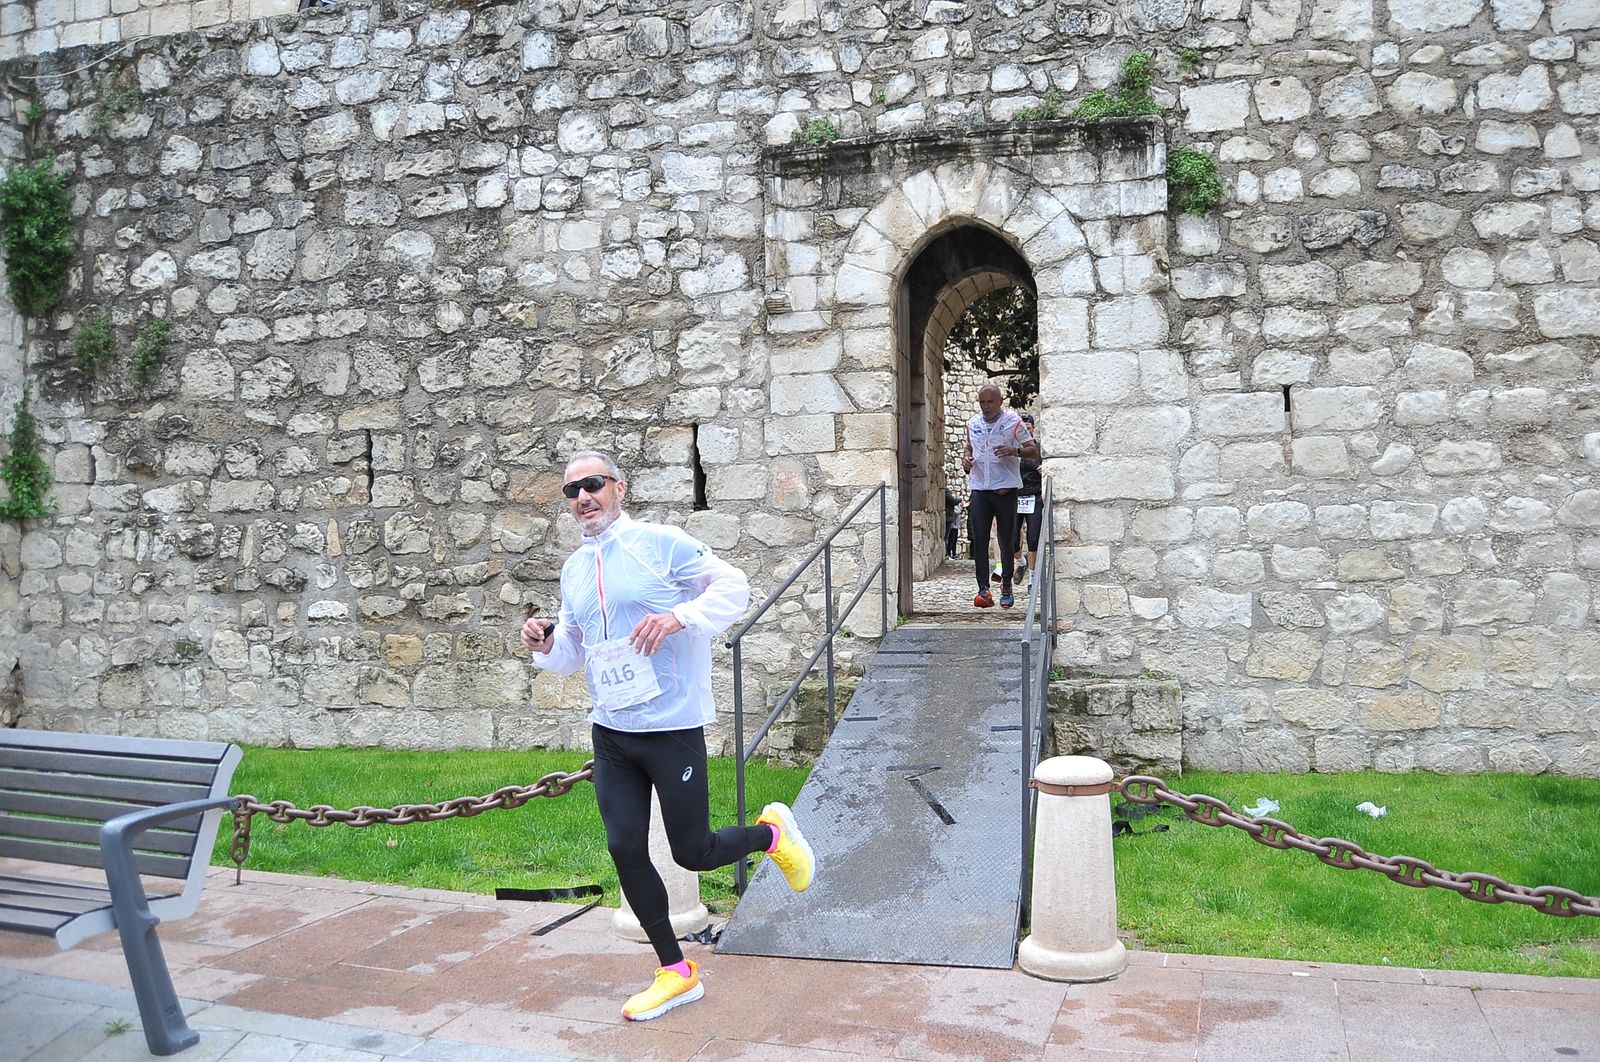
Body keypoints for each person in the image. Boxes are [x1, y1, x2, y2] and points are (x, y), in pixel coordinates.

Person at [520, 451, 815, 1022]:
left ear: (619, 489)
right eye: (572, 491)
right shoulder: (574, 570)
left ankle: (770, 836)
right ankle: (675, 972)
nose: (584, 497)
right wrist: (544, 643)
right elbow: (572, 650)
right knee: (624, 846)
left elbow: (734, 587)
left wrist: (679, 617)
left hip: (670, 727)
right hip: (611, 731)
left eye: (594, 484)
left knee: (693, 851)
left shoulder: (660, 543)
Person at [962, 385, 1036, 610]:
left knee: (1006, 540)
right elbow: (968, 448)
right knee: (980, 539)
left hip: (1005, 489)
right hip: (980, 488)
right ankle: (983, 589)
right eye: (982, 402)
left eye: (990, 402)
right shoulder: (973, 424)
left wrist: (1014, 451)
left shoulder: (1013, 422)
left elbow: (1032, 449)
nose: (986, 407)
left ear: (1000, 401)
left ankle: (1006, 585)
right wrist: (966, 461)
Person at [1013, 412, 1044, 583]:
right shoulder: (1013, 449)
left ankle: (1032, 579)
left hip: (1034, 497)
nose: (1026, 430)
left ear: (1033, 429)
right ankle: (1021, 562)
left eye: (1029, 428)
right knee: (1011, 539)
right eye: (1022, 428)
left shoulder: (1040, 449)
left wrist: (1043, 469)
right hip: (1015, 497)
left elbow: (1048, 469)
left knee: (1033, 538)